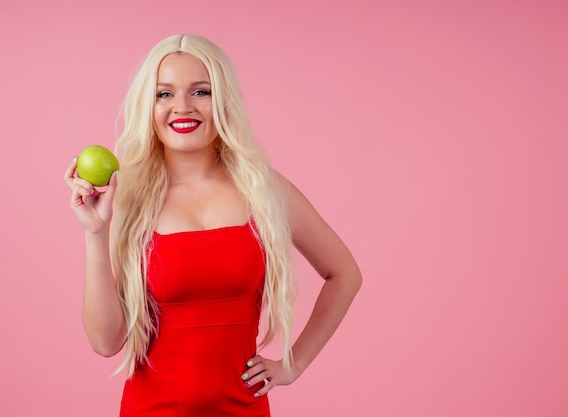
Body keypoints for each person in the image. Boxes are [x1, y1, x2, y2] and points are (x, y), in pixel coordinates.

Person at [64, 34, 361, 417]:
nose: (182, 107)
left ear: (222, 100)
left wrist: (295, 363)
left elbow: (345, 273)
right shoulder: (128, 199)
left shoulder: (263, 189)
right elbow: (106, 342)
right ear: (148, 106)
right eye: (164, 94)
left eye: (200, 92)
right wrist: (96, 233)